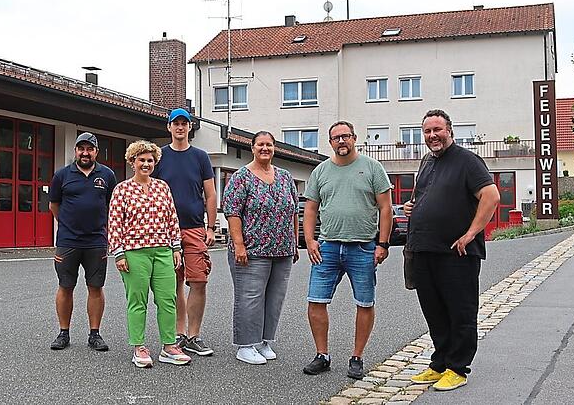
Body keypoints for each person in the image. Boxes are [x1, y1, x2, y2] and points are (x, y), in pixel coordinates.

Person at [404, 110, 500, 391]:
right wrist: (412, 207)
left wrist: (471, 234)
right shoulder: (426, 163)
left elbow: (491, 196)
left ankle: (458, 368)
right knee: (434, 312)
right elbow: (423, 198)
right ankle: (440, 363)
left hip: (457, 254)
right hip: (424, 250)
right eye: (427, 132)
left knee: (460, 311)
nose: (432, 136)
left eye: (438, 130)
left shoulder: (468, 161)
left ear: (450, 131)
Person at [302, 120, 393, 380]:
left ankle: (357, 357)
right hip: (327, 247)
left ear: (354, 138)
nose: (341, 141)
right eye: (336, 138)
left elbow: (385, 208)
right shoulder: (321, 171)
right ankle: (322, 355)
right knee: (316, 301)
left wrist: (383, 244)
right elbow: (310, 209)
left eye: (346, 136)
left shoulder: (372, 168)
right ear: (330, 142)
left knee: (364, 302)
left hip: (363, 248)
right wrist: (310, 240)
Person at [108, 140, 191, 368]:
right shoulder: (122, 189)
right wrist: (119, 253)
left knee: (168, 299)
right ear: (132, 162)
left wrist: (176, 247)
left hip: (163, 250)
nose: (146, 164)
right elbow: (115, 223)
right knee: (138, 300)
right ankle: (139, 347)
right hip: (134, 253)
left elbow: (172, 219)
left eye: (150, 160)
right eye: (141, 160)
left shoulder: (162, 187)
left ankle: (169, 346)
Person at [221, 131, 300, 365]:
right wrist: (239, 245)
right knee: (250, 298)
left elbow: (293, 211)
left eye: (269, 145)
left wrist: (294, 242)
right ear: (252, 148)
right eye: (260, 145)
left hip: (282, 249)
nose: (265, 148)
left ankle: (265, 341)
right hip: (252, 250)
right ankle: (245, 345)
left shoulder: (285, 176)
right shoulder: (241, 177)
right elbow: (233, 212)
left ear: (274, 148)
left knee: (274, 298)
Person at [152, 107, 218, 357]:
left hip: (194, 228)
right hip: (165, 230)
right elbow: (151, 191)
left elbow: (210, 194)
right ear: (168, 127)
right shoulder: (159, 157)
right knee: (174, 283)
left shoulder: (200, 157)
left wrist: (210, 227)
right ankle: (179, 334)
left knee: (198, 280)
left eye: (184, 123)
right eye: (175, 123)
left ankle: (194, 335)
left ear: (190, 127)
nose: (180, 127)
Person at [48, 132, 117, 352]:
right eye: (81, 148)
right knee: (65, 286)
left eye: (90, 149)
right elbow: (54, 206)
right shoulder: (61, 175)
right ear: (75, 151)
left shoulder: (107, 175)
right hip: (68, 241)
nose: (85, 153)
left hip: (96, 241)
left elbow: (111, 206)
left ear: (96, 151)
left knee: (95, 287)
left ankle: (94, 334)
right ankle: (63, 333)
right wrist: (68, 224)